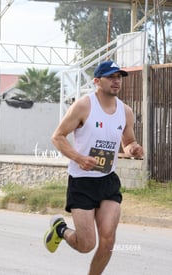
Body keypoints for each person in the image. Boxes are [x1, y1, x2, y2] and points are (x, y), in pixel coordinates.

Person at [44, 60, 144, 275]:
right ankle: (61, 229)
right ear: (97, 81)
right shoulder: (83, 105)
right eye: (111, 77)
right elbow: (57, 137)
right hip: (82, 181)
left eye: (119, 77)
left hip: (108, 180)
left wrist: (133, 149)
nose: (116, 81)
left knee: (108, 241)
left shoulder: (125, 111)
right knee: (86, 245)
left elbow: (128, 142)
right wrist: (79, 158)